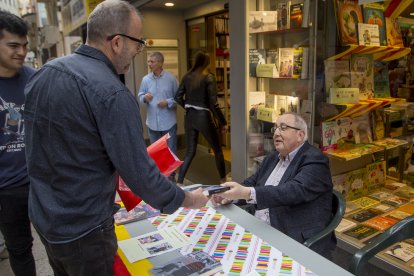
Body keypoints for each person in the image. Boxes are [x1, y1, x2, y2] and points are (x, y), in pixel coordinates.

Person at [24, 1, 209, 275]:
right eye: (138, 43)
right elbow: (141, 175)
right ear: (118, 42)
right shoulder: (113, 93)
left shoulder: (45, 74)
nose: (139, 51)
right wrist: (186, 199)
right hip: (84, 230)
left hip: (45, 217)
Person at [212, 113, 335, 259]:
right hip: (259, 227)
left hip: (292, 235)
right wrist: (230, 195)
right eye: (275, 128)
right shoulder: (272, 157)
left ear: (300, 135)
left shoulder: (315, 160)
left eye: (283, 128)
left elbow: (293, 191)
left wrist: (246, 193)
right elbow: (252, 182)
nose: (276, 132)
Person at [0, 10, 36, 276]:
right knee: (20, 249)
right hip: (6, 189)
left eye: (24, 45)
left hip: (41, 181)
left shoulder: (34, 79)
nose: (21, 52)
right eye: (13, 45)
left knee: (59, 243)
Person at [175, 51, 227, 184]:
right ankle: (223, 180)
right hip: (203, 117)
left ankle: (180, 181)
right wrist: (223, 122)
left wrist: (188, 106)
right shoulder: (209, 77)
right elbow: (213, 103)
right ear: (206, 63)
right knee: (217, 150)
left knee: (190, 151)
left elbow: (177, 97)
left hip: (189, 117)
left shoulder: (187, 76)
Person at [138, 52, 178, 181]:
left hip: (169, 122)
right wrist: (144, 97)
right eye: (149, 61)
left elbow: (178, 98)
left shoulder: (171, 79)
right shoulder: (145, 79)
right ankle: (159, 177)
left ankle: (171, 176)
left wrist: (168, 102)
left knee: (170, 151)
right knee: (155, 151)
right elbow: (140, 96)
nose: (149, 64)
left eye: (152, 61)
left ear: (160, 63)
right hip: (152, 123)